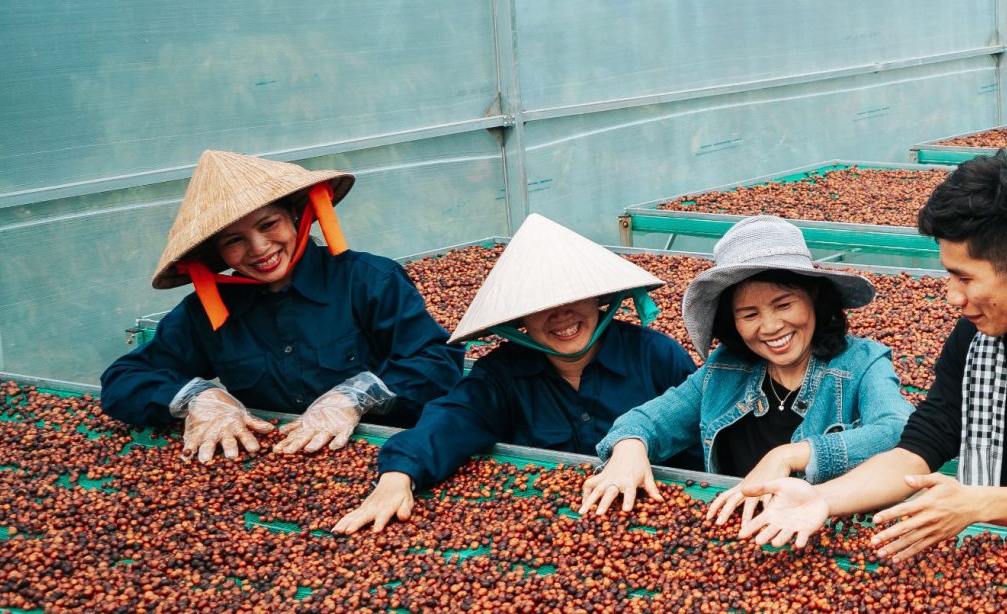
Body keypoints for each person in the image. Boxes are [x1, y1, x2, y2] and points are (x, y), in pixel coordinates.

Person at [729, 152, 1007, 561]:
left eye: (963, 277)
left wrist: (977, 503)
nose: (952, 297)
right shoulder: (974, 338)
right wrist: (826, 498)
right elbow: (918, 449)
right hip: (989, 553)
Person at [330, 216, 696, 534]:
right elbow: (455, 417)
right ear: (519, 320)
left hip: (647, 510)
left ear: (599, 298)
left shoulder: (656, 356)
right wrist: (399, 474)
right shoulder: (502, 373)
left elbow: (699, 440)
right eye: (541, 307)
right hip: (548, 523)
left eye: (574, 297)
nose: (562, 316)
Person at [100, 150, 459, 462]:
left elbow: (437, 363)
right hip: (269, 462)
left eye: (268, 224)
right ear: (218, 253)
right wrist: (196, 397)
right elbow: (123, 379)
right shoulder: (207, 311)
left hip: (390, 458)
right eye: (234, 240)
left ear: (296, 216)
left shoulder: (369, 281)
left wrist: (358, 396)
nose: (258, 248)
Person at [587, 216, 911, 517]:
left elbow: (898, 431)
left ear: (815, 298)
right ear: (732, 322)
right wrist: (630, 446)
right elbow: (651, 420)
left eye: (783, 304)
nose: (770, 327)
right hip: (741, 535)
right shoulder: (725, 369)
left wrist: (787, 455)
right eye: (749, 314)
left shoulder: (862, 363)